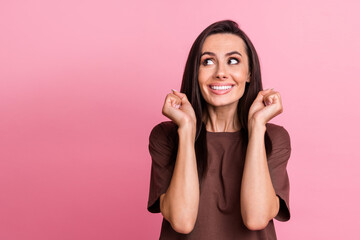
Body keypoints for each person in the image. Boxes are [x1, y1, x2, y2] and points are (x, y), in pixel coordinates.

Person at [147, 19, 291, 240]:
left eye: (233, 61)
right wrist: (186, 129)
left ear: (249, 73)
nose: (221, 73)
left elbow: (256, 217)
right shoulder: (166, 136)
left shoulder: (273, 138)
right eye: (208, 62)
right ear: (195, 73)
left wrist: (257, 127)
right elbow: (182, 221)